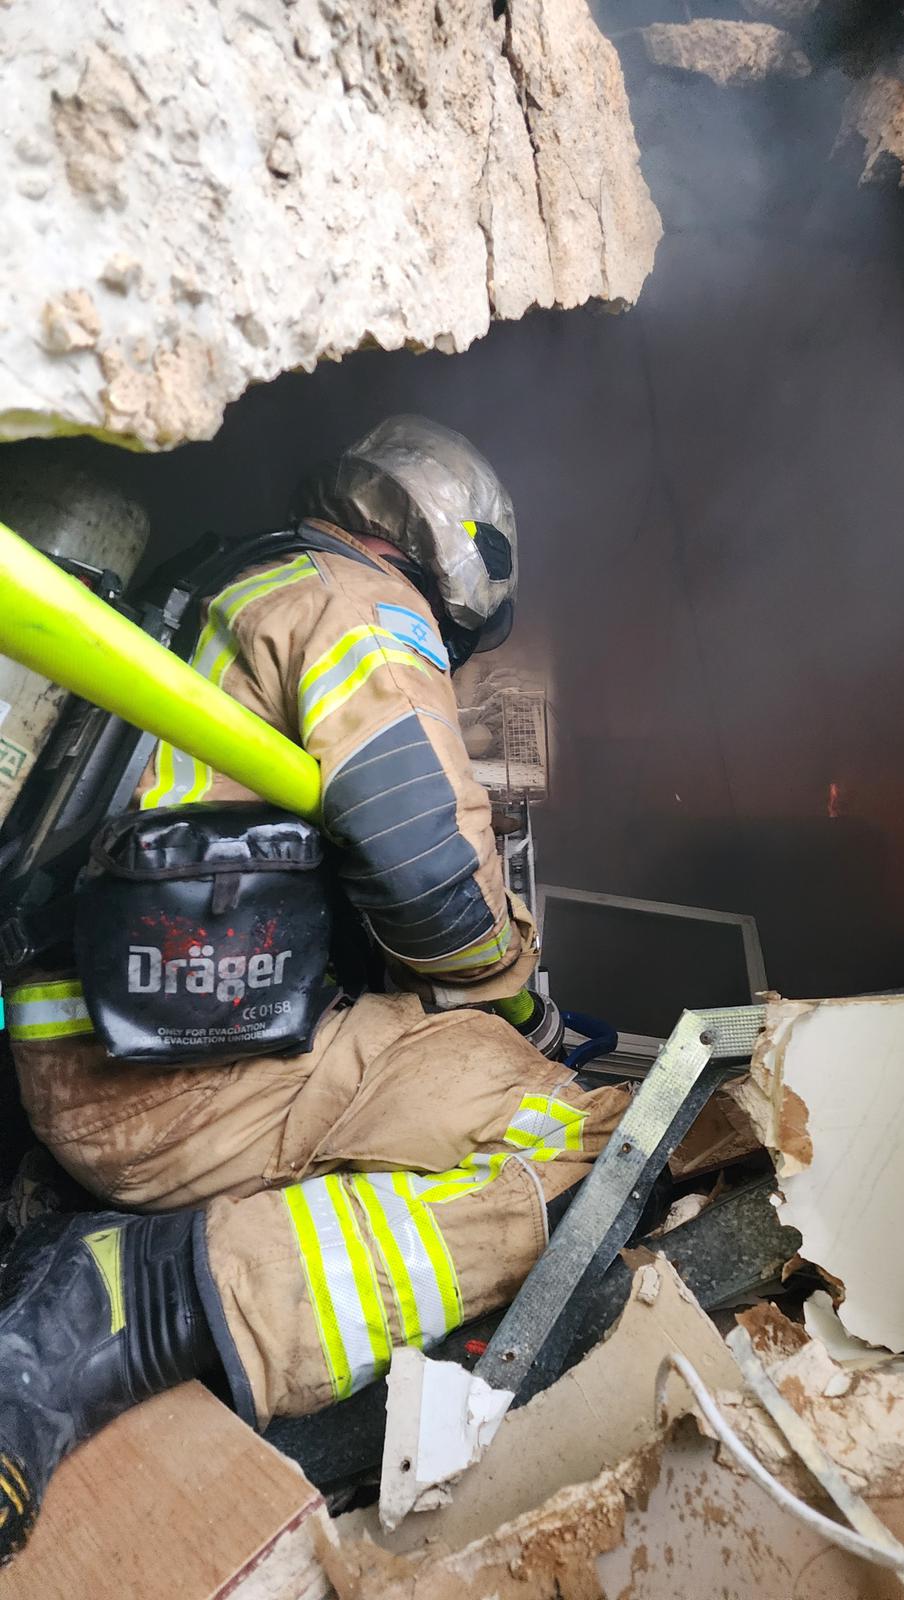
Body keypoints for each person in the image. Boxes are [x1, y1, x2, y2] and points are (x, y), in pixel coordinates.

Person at [0, 417, 629, 1563]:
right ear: (461, 561)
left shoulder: (231, 580)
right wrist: (521, 998)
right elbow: (434, 880)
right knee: (577, 1134)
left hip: (86, 1051)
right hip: (182, 1091)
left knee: (424, 1081)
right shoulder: (360, 602)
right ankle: (128, 1298)